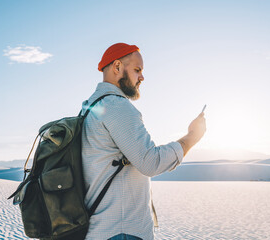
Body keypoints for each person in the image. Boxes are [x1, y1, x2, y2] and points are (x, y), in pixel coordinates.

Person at [81, 43, 206, 240]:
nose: (142, 77)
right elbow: (150, 162)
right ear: (117, 67)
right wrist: (192, 137)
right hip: (121, 231)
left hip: (103, 230)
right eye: (137, 70)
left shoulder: (90, 107)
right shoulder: (115, 105)